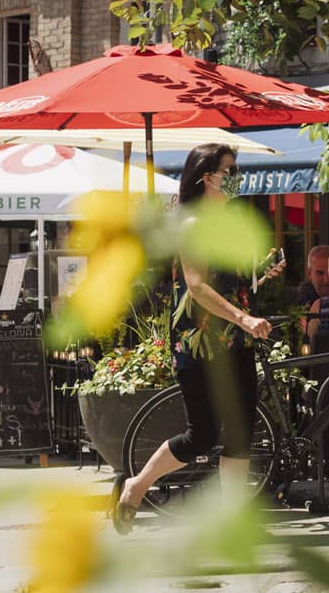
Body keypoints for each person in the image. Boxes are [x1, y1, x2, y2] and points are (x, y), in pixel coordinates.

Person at [114, 144, 284, 531]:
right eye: (230, 171)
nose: (236, 178)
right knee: (202, 436)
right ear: (207, 178)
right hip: (199, 344)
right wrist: (244, 317)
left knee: (241, 429)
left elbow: (229, 280)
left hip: (235, 339)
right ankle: (137, 486)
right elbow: (197, 286)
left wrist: (260, 273)